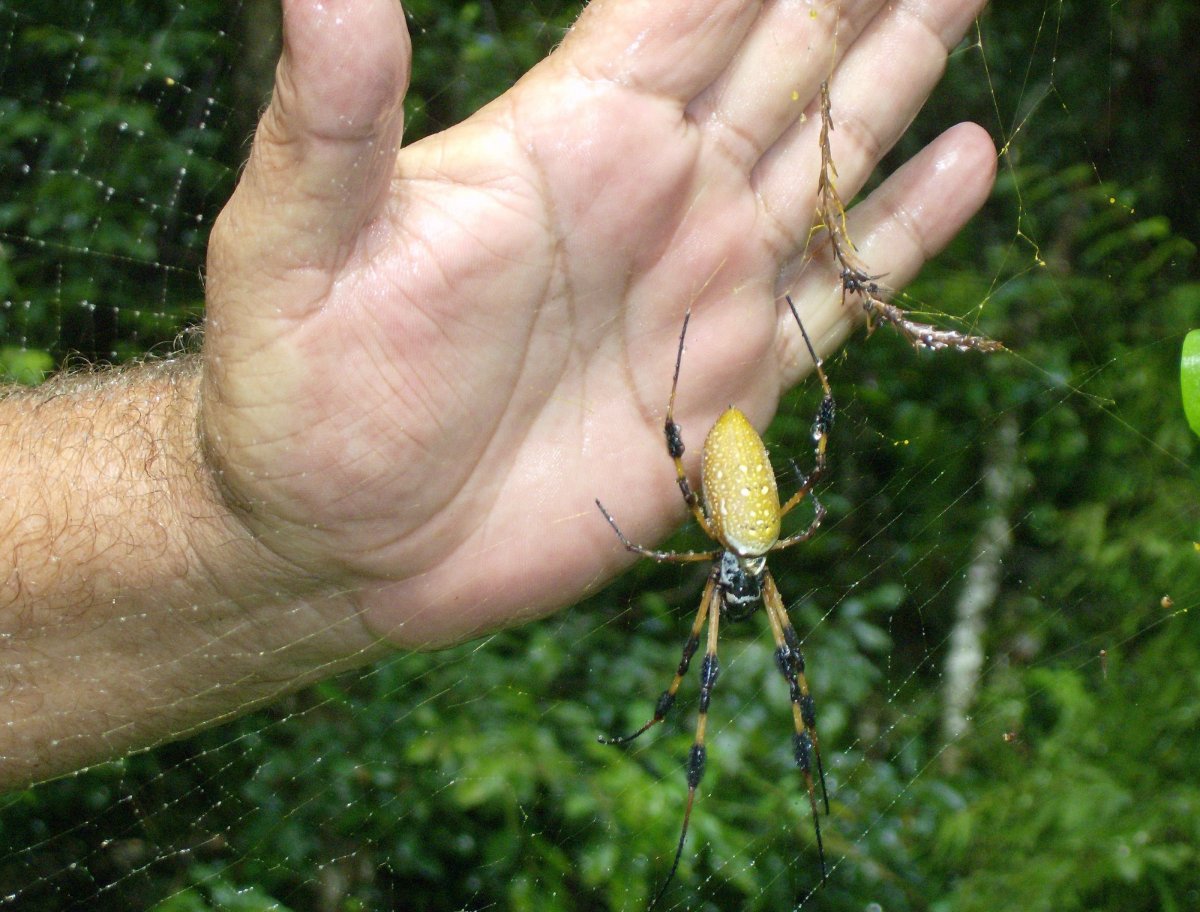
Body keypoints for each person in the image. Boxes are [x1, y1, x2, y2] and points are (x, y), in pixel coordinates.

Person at [0, 0, 995, 788]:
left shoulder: (729, 553)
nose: (732, 598)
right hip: (739, 483)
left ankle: (786, 777)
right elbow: (763, 490)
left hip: (730, 483)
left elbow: (729, 495)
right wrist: (233, 514)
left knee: (776, 670)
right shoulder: (753, 557)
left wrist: (243, 533)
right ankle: (712, 759)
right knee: (771, 670)